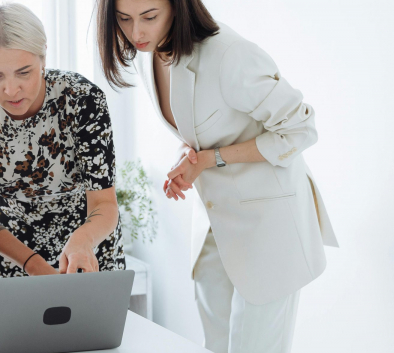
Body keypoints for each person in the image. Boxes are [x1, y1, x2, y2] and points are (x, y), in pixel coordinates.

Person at [96, 1, 338, 352]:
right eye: (124, 19)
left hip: (269, 225)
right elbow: (201, 123)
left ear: (177, 7)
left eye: (149, 17)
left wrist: (211, 159)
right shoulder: (151, 54)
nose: (136, 33)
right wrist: (187, 157)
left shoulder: (230, 55)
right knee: (215, 345)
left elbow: (301, 129)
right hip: (215, 222)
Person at [0, 3, 125, 278]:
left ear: (43, 55)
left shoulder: (81, 99)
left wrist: (82, 242)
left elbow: (104, 204)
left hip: (88, 251)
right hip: (12, 257)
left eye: (24, 72)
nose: (10, 89)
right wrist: (33, 264)